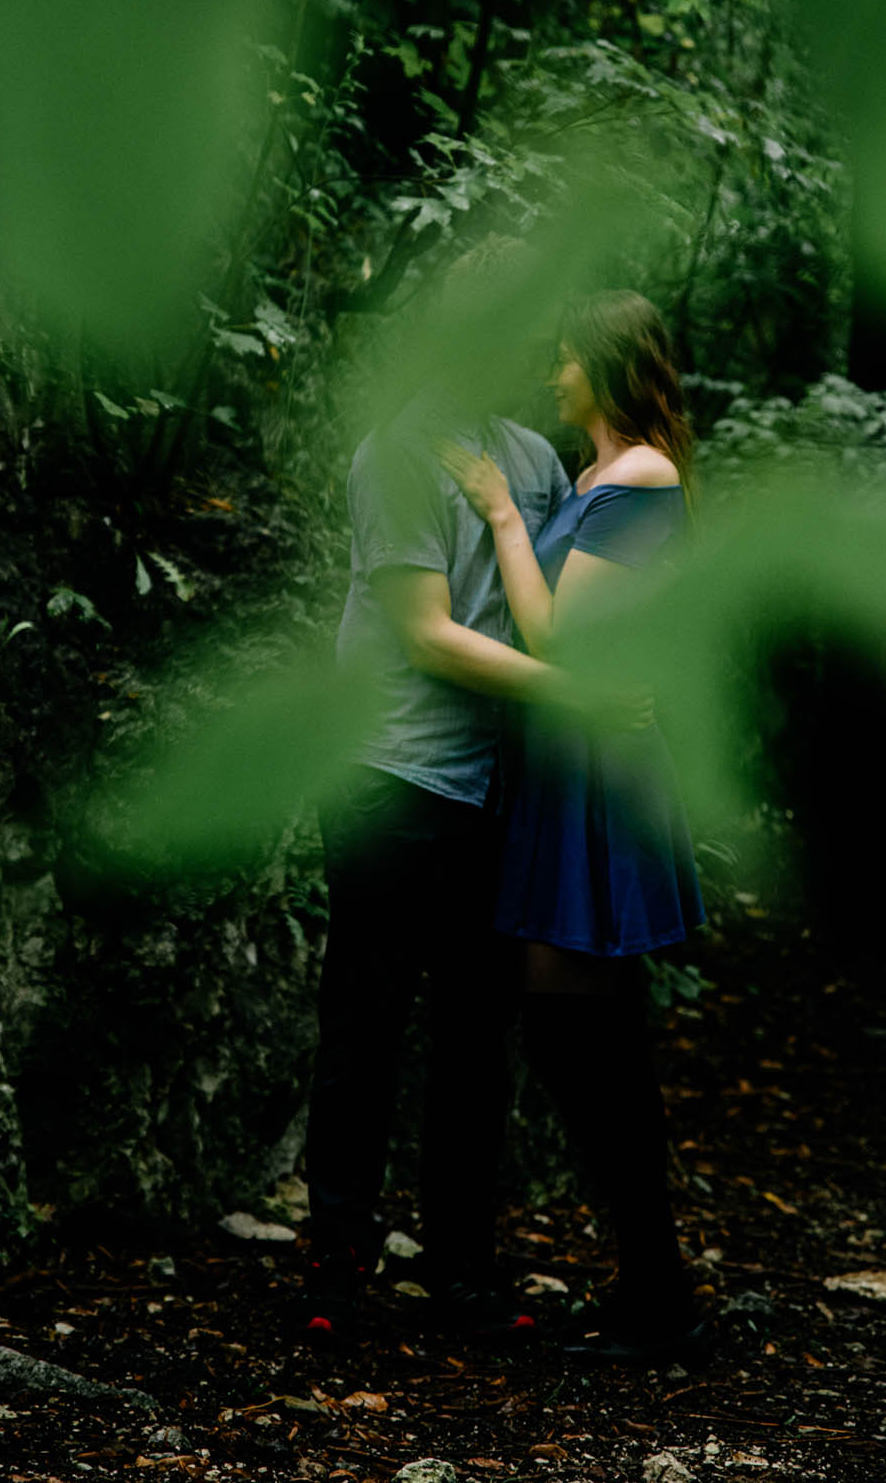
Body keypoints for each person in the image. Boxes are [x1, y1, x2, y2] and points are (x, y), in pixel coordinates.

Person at [300, 248, 574, 1342]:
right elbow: (425, 635)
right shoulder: (397, 453)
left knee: (475, 1037)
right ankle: (335, 1266)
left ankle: (460, 1268)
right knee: (365, 1026)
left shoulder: (534, 460)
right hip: (389, 777)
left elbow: (554, 605)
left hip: (495, 791)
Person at [438, 288, 710, 1369]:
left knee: (583, 1033)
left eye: (564, 359)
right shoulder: (594, 476)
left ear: (602, 364)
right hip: (563, 764)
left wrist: (503, 515)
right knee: (578, 1031)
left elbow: (560, 641)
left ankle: (661, 1299)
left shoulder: (642, 475)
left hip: (600, 770)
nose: (552, 376)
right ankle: (651, 1287)